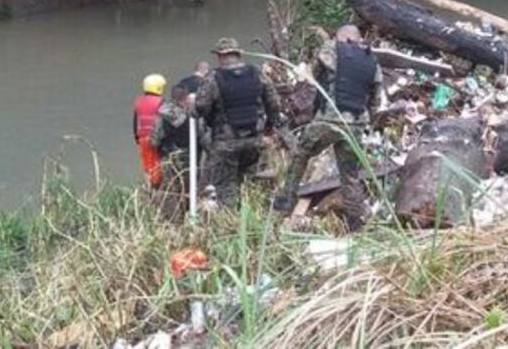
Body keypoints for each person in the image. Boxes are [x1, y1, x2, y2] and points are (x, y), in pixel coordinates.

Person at [273, 25, 383, 230]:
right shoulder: (371, 60)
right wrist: (365, 119)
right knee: (350, 174)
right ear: (358, 39)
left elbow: (314, 76)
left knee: (301, 153)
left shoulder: (330, 48)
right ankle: (355, 222)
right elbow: (376, 99)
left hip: (330, 119)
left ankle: (284, 204)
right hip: (357, 123)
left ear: (340, 37)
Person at [195, 38, 284, 205]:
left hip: (226, 142)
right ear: (238, 54)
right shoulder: (256, 73)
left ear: (220, 56)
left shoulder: (213, 78)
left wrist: (202, 115)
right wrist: (269, 127)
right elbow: (274, 103)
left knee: (226, 187)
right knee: (248, 183)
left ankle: (232, 223)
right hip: (253, 139)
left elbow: (200, 107)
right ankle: (250, 218)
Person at [149, 83, 208, 220]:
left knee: (170, 190)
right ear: (186, 97)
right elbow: (203, 137)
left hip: (169, 158)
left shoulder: (163, 114)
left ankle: (174, 220)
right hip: (191, 159)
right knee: (191, 188)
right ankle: (192, 215)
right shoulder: (194, 115)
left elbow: (154, 140)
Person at [132, 74, 166, 188]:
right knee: (158, 165)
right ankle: (157, 188)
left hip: (142, 138)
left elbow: (135, 121)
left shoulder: (138, 101)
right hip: (156, 139)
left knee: (147, 166)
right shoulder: (161, 101)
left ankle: (148, 188)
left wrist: (137, 138)